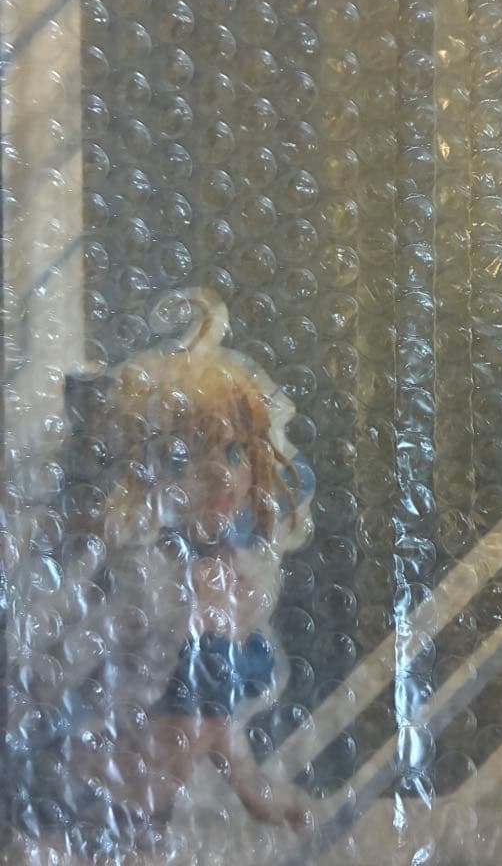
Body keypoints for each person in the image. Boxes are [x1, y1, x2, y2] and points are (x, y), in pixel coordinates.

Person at [6, 289, 314, 858]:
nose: (220, 478)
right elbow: (71, 667)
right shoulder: (151, 576)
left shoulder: (229, 575)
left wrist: (249, 788)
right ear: (140, 473)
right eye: (180, 460)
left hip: (142, 811)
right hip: (87, 799)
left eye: (233, 452)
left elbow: (210, 711)